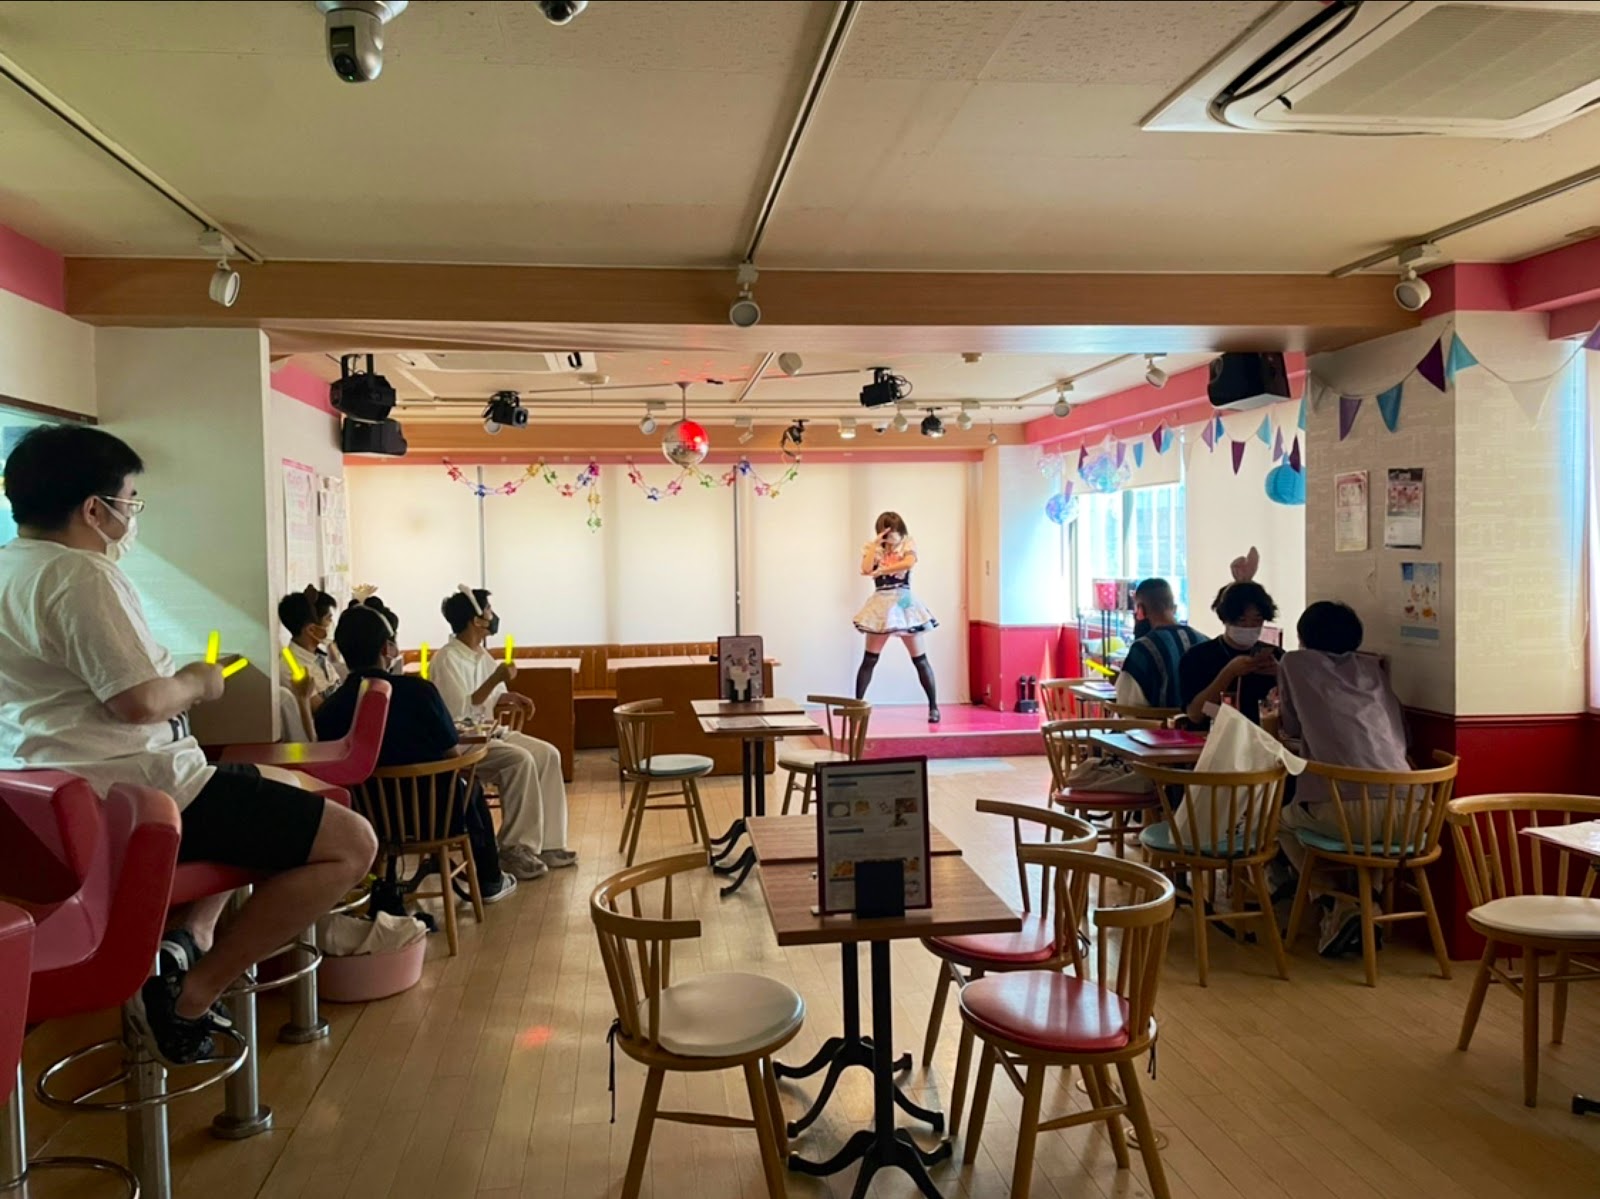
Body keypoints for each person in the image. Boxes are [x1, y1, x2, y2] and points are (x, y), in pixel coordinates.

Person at [0, 425, 377, 1066]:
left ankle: (190, 940)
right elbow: (139, 701)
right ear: (96, 509)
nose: (131, 516)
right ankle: (190, 995)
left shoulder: (11, 566)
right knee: (351, 845)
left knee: (255, 787)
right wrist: (197, 683)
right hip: (139, 796)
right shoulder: (81, 575)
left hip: (50, 795)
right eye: (130, 501)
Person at [315, 597, 517, 903]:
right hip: (438, 815)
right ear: (388, 649)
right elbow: (451, 755)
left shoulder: (331, 709)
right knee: (468, 785)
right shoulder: (419, 693)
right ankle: (490, 879)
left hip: (368, 819)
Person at [1276, 600, 1410, 955]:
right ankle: (1372, 899)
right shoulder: (1373, 669)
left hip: (1345, 812)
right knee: (1371, 840)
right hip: (1415, 813)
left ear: (1304, 637)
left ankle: (1336, 902)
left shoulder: (1295, 662)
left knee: (1280, 824)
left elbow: (1289, 725)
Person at [429, 587, 575, 880]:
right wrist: (496, 677)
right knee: (519, 761)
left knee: (548, 754)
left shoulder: (480, 654)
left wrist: (511, 697)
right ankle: (513, 848)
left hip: (491, 734)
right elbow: (463, 708)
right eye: (488, 611)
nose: (492, 617)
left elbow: (491, 698)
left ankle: (547, 843)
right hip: (463, 743)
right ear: (475, 620)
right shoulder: (446, 660)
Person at [853, 511, 940, 723]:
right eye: (886, 535)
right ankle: (856, 708)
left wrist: (883, 569)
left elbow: (908, 563)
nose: (890, 539)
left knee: (920, 659)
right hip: (881, 602)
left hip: (903, 600)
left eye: (893, 534)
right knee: (869, 659)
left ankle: (933, 707)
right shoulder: (874, 548)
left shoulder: (907, 544)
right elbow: (865, 569)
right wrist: (875, 544)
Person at [1179, 580, 1282, 726]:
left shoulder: (1276, 656)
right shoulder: (1197, 657)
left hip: (1263, 739)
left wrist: (1281, 675)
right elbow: (1195, 714)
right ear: (1225, 619)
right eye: (1241, 620)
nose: (1249, 626)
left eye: (1257, 620)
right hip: (1212, 739)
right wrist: (1229, 672)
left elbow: (1297, 710)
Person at [1116, 577, 1206, 710]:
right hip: (1203, 729)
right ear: (1173, 607)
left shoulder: (1142, 649)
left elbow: (1126, 705)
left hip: (1155, 729)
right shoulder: (1204, 641)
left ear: (1140, 610)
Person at [277, 585, 343, 741]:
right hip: (329, 739)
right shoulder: (293, 668)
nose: (331, 624)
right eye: (329, 618)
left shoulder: (318, 656)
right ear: (312, 630)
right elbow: (326, 714)